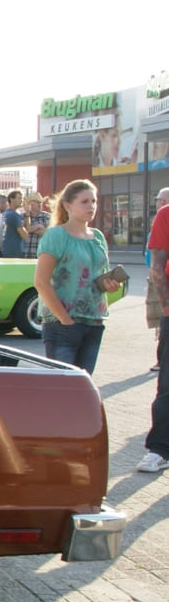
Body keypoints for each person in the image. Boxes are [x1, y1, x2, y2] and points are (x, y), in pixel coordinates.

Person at [33, 179, 119, 374]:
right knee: (64, 389)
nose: (91, 206)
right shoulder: (56, 235)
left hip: (94, 322)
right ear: (67, 205)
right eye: (85, 201)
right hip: (63, 324)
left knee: (82, 386)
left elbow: (97, 278)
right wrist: (65, 320)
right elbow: (41, 282)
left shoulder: (97, 237)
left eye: (94, 201)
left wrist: (111, 284)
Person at [141, 190, 169, 471]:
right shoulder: (166, 215)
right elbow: (157, 265)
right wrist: (167, 307)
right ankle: (160, 449)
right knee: (168, 386)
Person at [21, 191, 49, 259]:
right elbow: (21, 231)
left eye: (40, 203)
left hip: (40, 253)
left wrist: (29, 229)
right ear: (30, 204)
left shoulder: (47, 216)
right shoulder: (22, 216)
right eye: (37, 203)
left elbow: (47, 232)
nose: (39, 205)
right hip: (25, 253)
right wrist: (38, 227)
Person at [0, 190, 26, 258]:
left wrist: (27, 215)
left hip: (6, 250)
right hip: (15, 251)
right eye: (19, 198)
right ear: (11, 199)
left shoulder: (6, 213)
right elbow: (24, 235)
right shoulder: (14, 215)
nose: (21, 200)